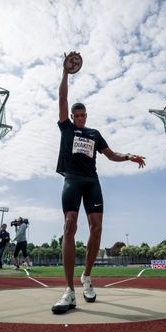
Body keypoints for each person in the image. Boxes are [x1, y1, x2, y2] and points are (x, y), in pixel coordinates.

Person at [51, 52, 146, 314]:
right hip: (72, 179)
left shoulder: (94, 134)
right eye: (76, 115)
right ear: (72, 116)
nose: (80, 118)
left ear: (86, 116)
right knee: (69, 225)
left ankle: (87, 277)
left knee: (97, 229)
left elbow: (111, 155)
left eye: (83, 115)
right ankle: (69, 291)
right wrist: (65, 73)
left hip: (91, 180)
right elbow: (62, 98)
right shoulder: (67, 129)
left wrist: (127, 156)